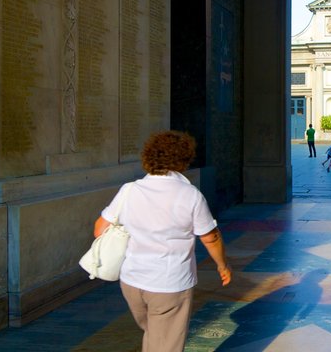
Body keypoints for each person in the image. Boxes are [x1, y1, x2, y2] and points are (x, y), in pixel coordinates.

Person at [94, 130, 232, 352]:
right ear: (183, 159)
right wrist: (222, 265)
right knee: (164, 343)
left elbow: (100, 229)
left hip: (132, 282)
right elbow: (210, 237)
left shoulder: (129, 190)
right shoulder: (190, 195)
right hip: (170, 284)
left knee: (156, 336)